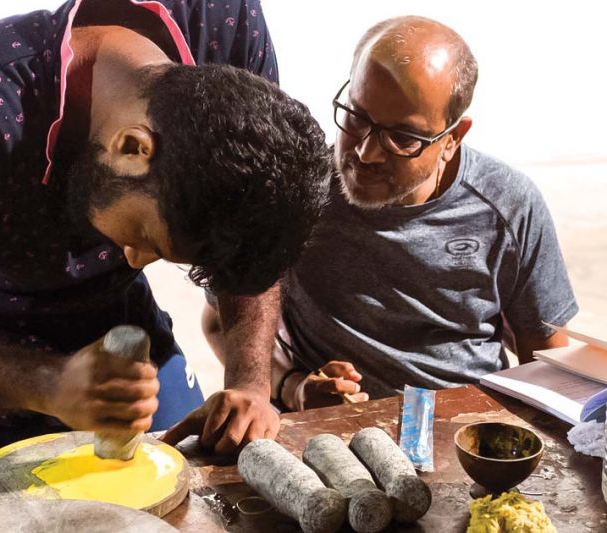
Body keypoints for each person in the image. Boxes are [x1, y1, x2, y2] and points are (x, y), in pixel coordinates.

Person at [0, 0, 332, 468]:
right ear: (133, 148)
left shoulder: (222, 24)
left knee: (190, 493)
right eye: (147, 240)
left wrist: (250, 382)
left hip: (118, 330)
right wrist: (47, 383)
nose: (133, 261)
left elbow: (258, 218)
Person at [203, 15, 577, 411]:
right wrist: (293, 386)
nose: (365, 153)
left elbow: (547, 364)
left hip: (467, 434)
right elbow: (218, 324)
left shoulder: (508, 206)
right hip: (327, 436)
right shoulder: (296, 192)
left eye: (402, 137)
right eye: (356, 117)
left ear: (452, 138)